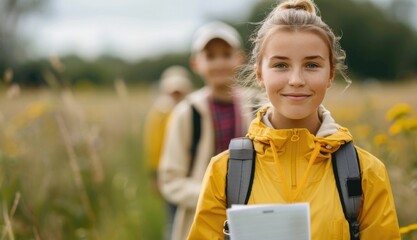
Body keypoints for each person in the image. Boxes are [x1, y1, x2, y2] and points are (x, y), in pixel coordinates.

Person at [188, 0, 400, 239]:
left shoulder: (366, 173)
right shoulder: (225, 172)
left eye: (311, 64)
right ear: (260, 74)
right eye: (280, 65)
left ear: (330, 74)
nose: (296, 79)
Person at [157, 21, 251, 240]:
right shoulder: (186, 113)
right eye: (210, 56)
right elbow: (170, 179)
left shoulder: (259, 106)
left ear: (240, 58)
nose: (219, 62)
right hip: (201, 222)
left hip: (251, 222)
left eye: (226, 54)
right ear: (196, 63)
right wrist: (213, 195)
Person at [144, 65, 193, 179]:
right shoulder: (159, 113)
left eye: (179, 92)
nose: (176, 96)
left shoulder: (194, 110)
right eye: (173, 92)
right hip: (166, 170)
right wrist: (155, 174)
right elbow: (154, 145)